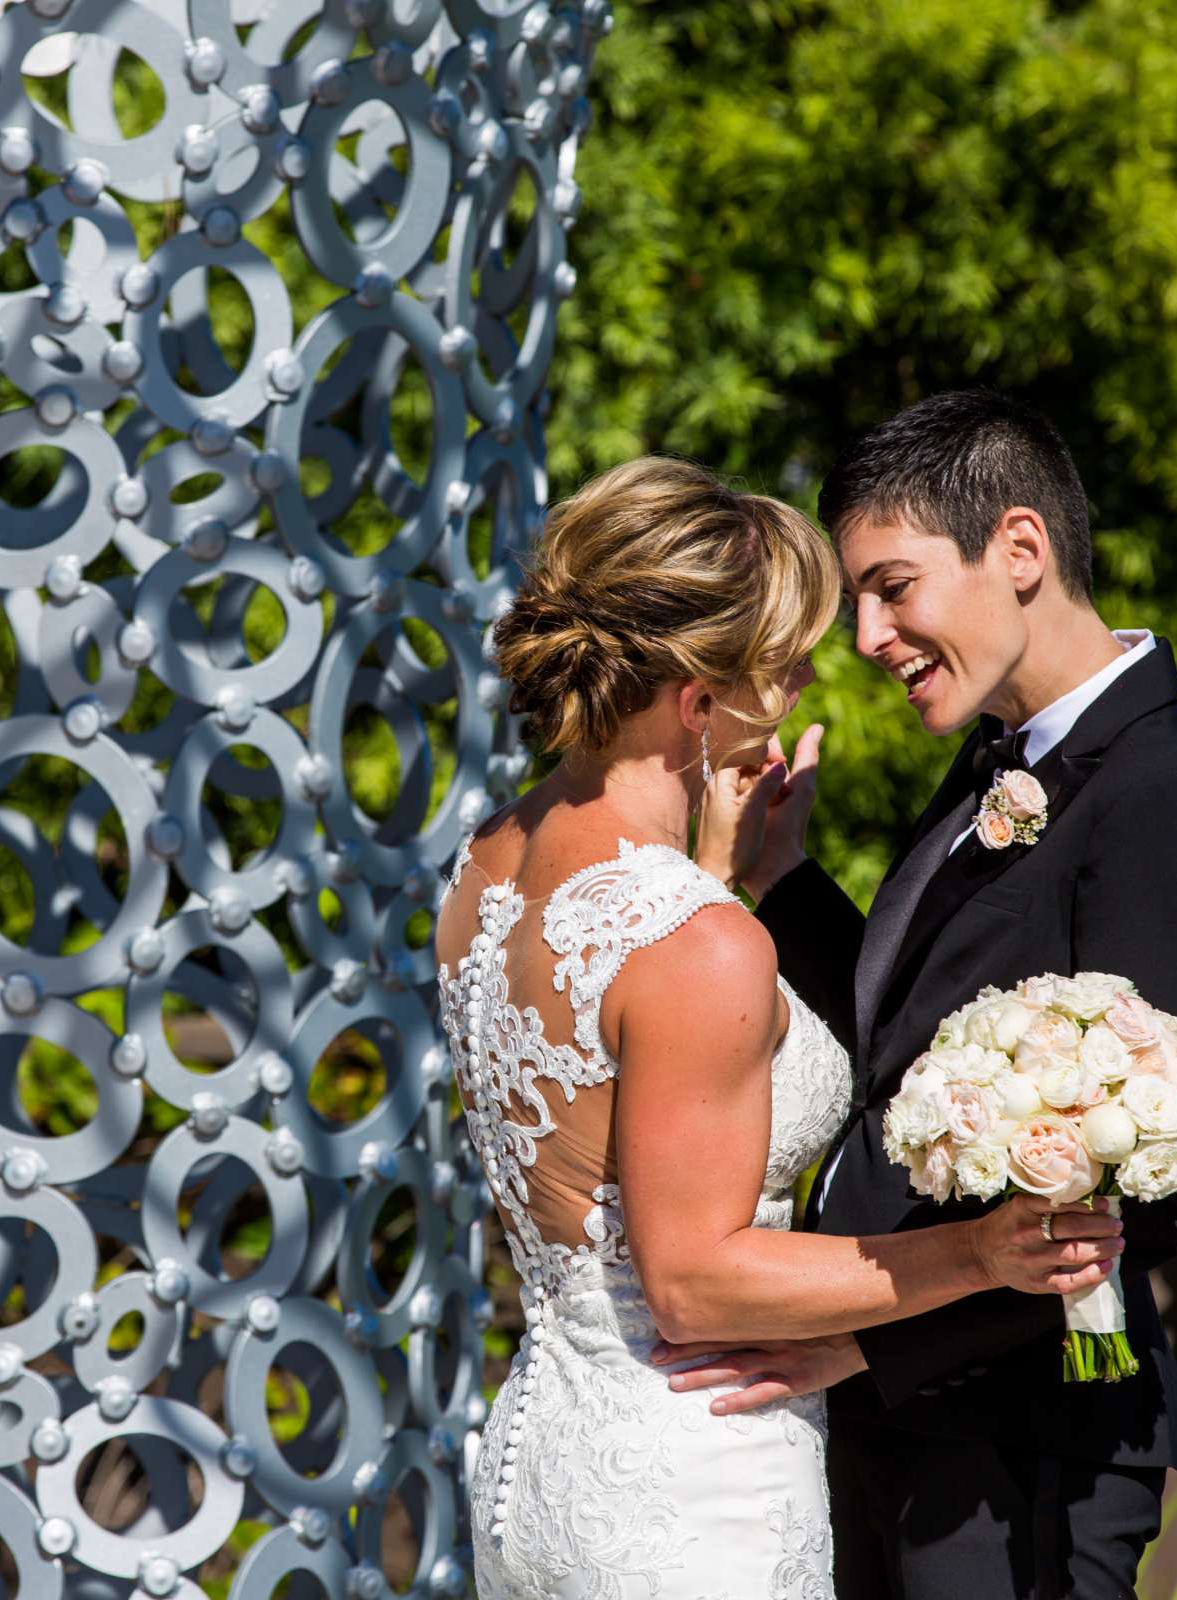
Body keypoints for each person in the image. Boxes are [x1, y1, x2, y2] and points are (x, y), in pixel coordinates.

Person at [439, 455, 1125, 1600]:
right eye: (785, 666)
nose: (809, 681)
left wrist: (728, 871)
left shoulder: (489, 861)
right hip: (694, 1480)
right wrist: (979, 1250)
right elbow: (693, 1282)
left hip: (540, 1460)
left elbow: (603, 1105)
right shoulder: (700, 945)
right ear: (697, 702)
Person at [654, 390, 1177, 1599]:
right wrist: (782, 880)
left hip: (1022, 1447)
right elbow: (908, 1057)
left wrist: (863, 1336)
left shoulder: (1157, 801)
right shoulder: (1004, 759)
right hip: (907, 1424)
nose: (871, 635)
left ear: (1022, 550)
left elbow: (1152, 1182)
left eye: (895, 586)